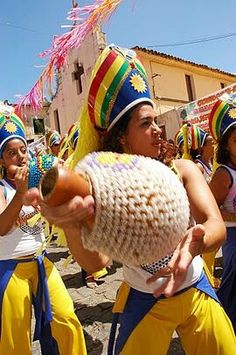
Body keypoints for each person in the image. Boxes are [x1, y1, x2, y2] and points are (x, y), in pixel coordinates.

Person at [24, 45, 236, 354]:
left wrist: (195, 244)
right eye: (145, 123)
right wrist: (72, 225)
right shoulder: (105, 189)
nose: (157, 129)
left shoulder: (185, 170)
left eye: (155, 121)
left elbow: (215, 226)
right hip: (143, 298)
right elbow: (97, 263)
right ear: (123, 137)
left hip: (196, 289)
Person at [0, 105, 87, 354]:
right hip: (11, 268)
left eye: (23, 150)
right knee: (15, 338)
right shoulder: (2, 188)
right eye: (11, 153)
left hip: (42, 263)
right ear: (2, 161)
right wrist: (20, 191)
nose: (21, 157)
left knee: (66, 319)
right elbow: (2, 227)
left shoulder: (39, 182)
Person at [209, 96, 236, 333]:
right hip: (233, 239)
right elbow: (210, 209)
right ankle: (225, 324)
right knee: (233, 280)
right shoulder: (224, 174)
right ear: (226, 145)